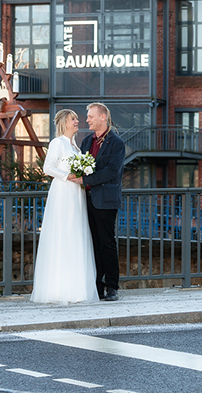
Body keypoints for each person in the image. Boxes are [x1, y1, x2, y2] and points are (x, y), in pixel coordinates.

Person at [30, 109, 99, 304]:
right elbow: (47, 168)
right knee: (63, 234)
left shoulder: (76, 148)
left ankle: (76, 289)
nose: (77, 121)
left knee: (76, 234)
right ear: (64, 122)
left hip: (76, 194)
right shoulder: (57, 143)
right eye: (73, 119)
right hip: (62, 192)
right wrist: (67, 176)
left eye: (77, 119)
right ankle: (58, 290)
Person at [68, 103, 125, 301]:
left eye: (91, 116)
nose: (87, 120)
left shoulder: (116, 142)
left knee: (107, 244)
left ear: (103, 118)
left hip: (106, 201)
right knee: (92, 244)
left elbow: (112, 171)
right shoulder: (86, 142)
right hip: (87, 199)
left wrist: (85, 180)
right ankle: (96, 288)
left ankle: (112, 287)